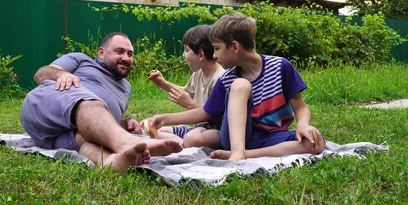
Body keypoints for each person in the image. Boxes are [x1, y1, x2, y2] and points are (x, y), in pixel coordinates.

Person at [148, 13, 325, 161]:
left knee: (316, 143)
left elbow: (300, 107)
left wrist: (303, 124)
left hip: (270, 137)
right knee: (240, 84)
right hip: (234, 136)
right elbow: (205, 113)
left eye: (217, 49)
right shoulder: (228, 79)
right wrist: (165, 119)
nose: (215, 56)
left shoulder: (281, 66)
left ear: (234, 47)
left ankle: (245, 154)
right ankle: (237, 151)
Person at [20, 32, 182, 172]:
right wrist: (61, 75)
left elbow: (100, 120)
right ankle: (128, 143)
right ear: (101, 53)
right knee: (89, 103)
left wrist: (124, 123)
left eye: (130, 54)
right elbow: (40, 74)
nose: (126, 58)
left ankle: (110, 162)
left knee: (87, 140)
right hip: (45, 108)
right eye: (120, 51)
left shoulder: (126, 87)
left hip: (57, 137)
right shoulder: (81, 60)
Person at [147, 25, 225, 148]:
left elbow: (217, 118)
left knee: (192, 139)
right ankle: (180, 141)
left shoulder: (219, 79)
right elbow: (186, 93)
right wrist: (163, 83)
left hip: (216, 129)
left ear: (201, 55)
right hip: (199, 127)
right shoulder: (198, 73)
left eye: (186, 50)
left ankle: (182, 143)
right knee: (149, 129)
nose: (184, 55)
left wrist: (189, 104)